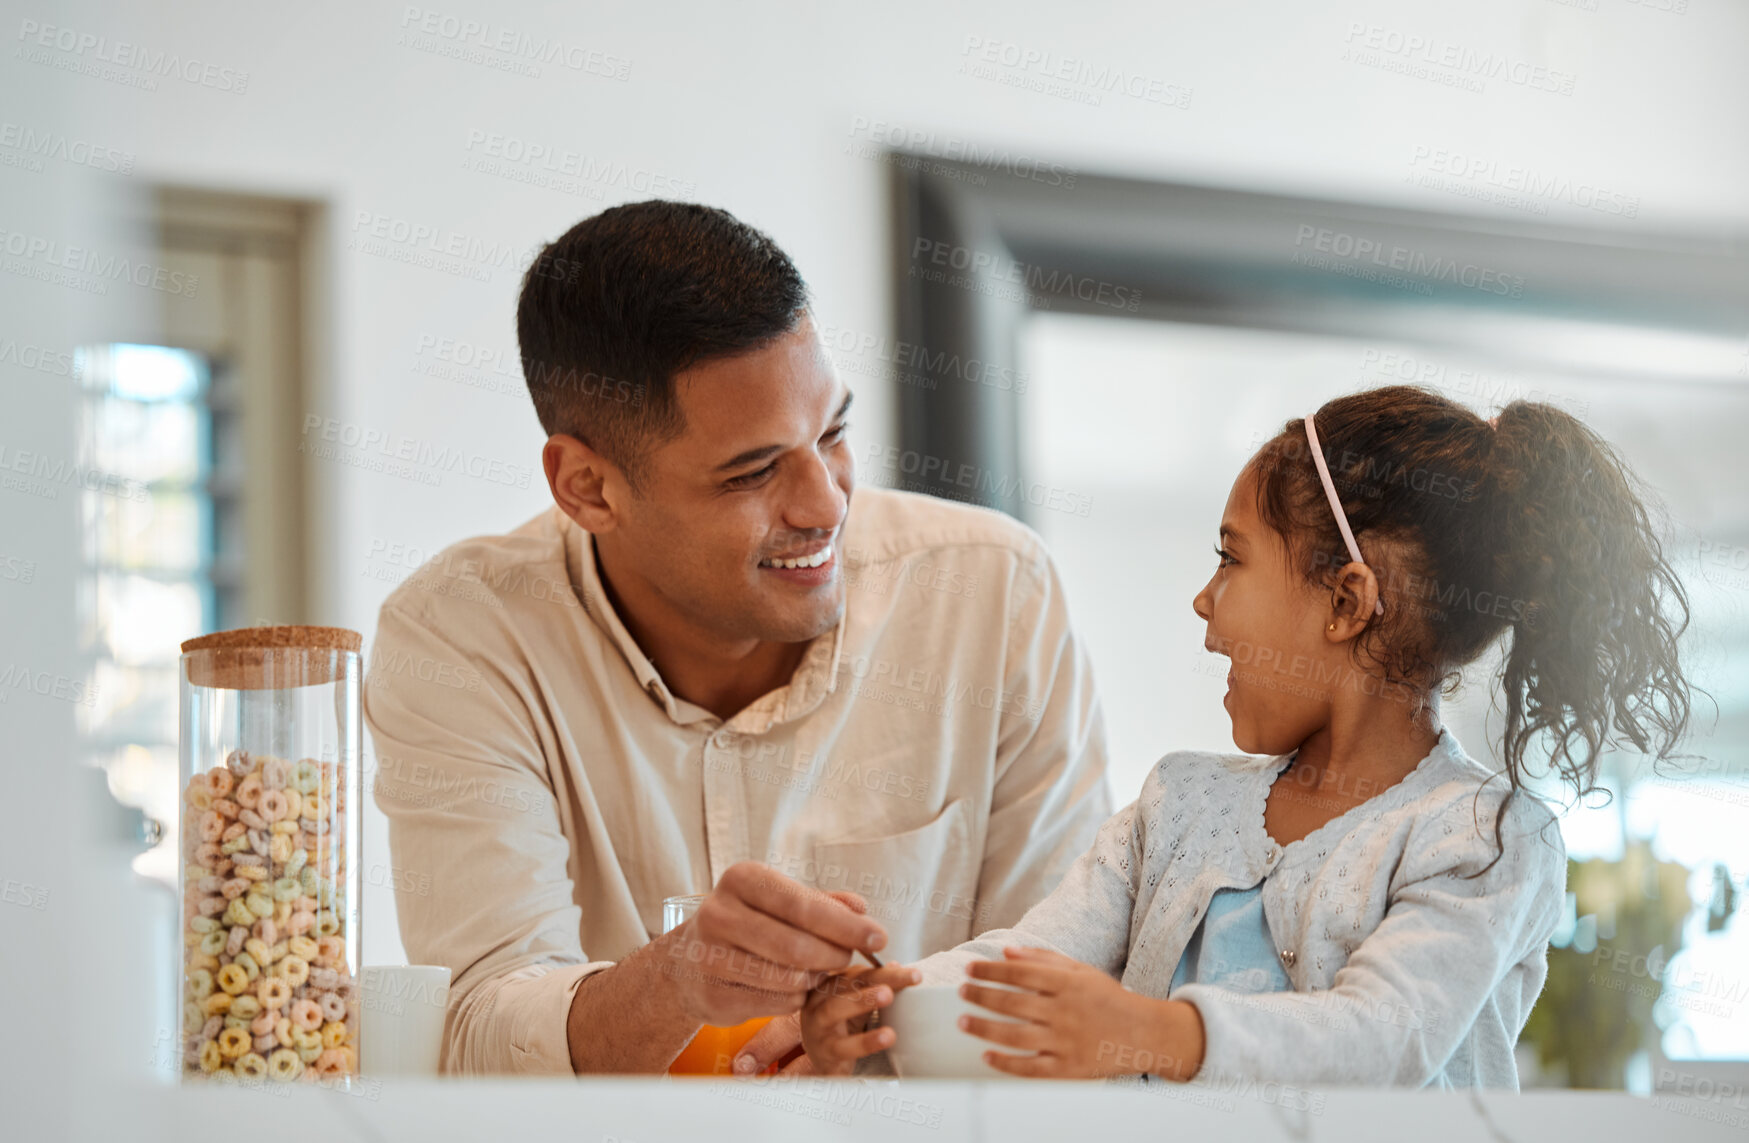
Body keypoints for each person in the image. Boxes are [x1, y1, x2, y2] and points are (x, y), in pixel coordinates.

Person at [363, 201, 1112, 1076]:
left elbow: (1064, 983)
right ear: (588, 486)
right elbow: (478, 1029)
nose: (825, 505)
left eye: (831, 431)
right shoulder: (460, 636)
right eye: (753, 472)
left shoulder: (992, 593)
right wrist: (676, 982)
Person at [802, 386, 1693, 1088]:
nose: (1203, 600)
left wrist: (1151, 1030)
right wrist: (895, 999)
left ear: (1345, 601)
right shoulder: (1175, 802)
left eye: (1230, 558)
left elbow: (1381, 1040)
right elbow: (1035, 956)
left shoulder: (1484, 840)